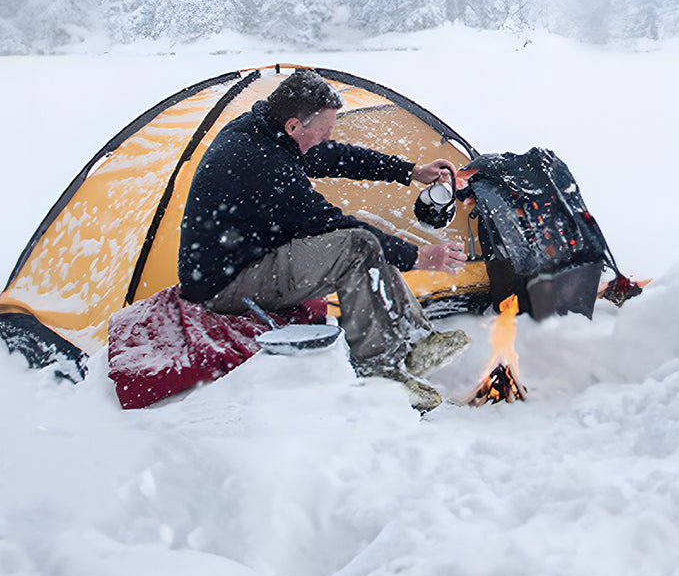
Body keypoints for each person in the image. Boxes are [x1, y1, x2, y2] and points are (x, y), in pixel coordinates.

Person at [178, 70, 469, 410]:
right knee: (355, 246)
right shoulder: (262, 162)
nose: (328, 136)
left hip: (249, 256)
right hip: (225, 285)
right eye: (324, 129)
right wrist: (417, 256)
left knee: (361, 243)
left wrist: (408, 171)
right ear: (294, 126)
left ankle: (415, 341)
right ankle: (379, 370)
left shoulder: (267, 132)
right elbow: (329, 223)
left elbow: (333, 156)